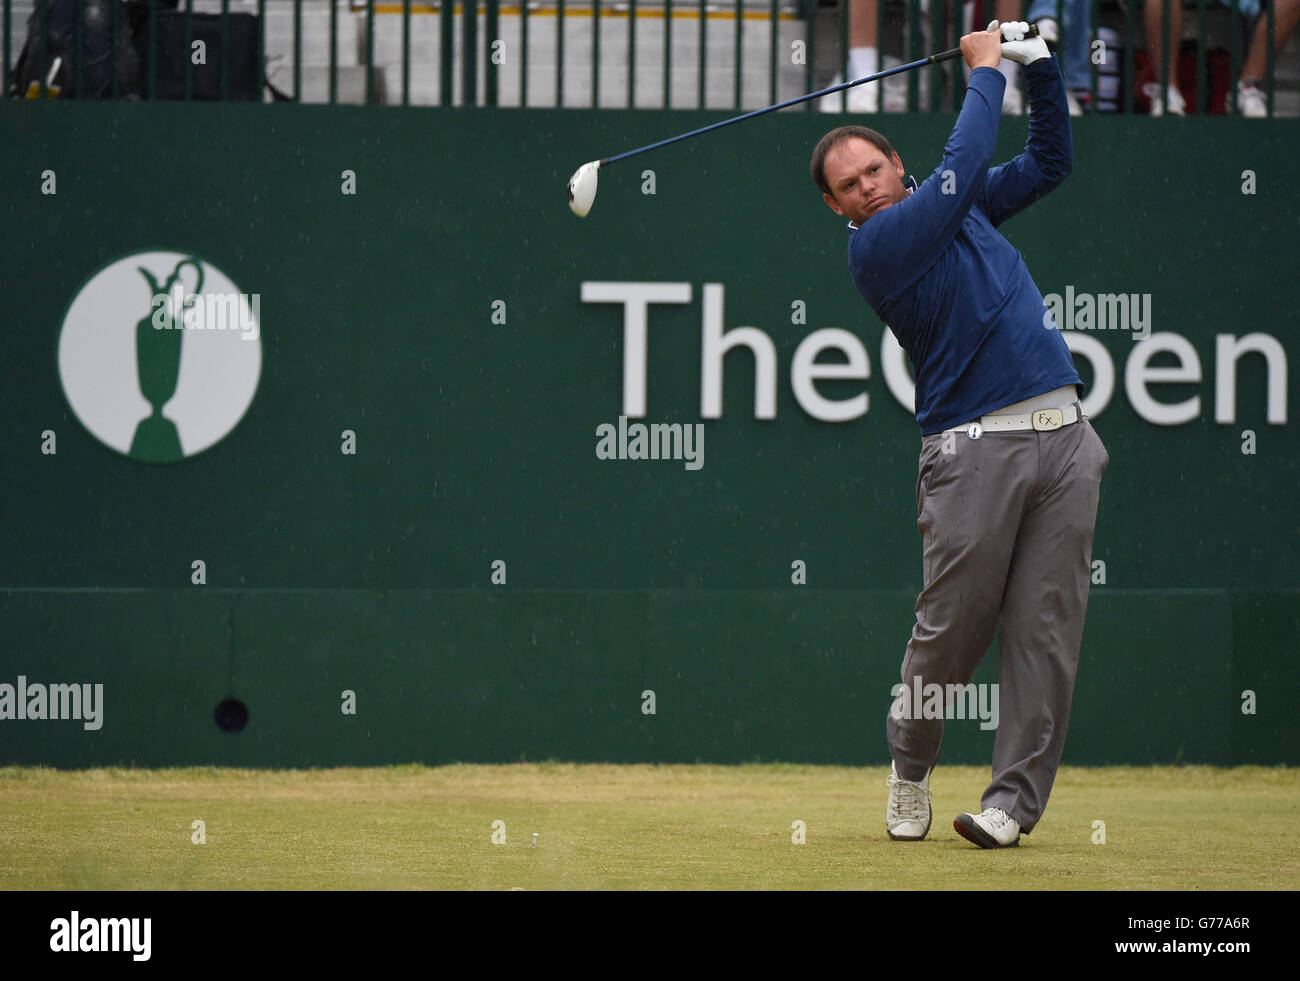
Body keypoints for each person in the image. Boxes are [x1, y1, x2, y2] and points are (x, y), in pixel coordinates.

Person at [809, 21, 1109, 847]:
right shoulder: (880, 247)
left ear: (896, 164)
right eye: (849, 184)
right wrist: (986, 71)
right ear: (837, 208)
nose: (867, 186)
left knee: (1045, 634)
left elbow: (1050, 162)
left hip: (1065, 437)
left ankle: (1011, 803)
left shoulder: (956, 202)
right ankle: (910, 766)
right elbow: (963, 165)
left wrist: (1042, 70)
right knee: (948, 639)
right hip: (971, 450)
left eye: (874, 168)